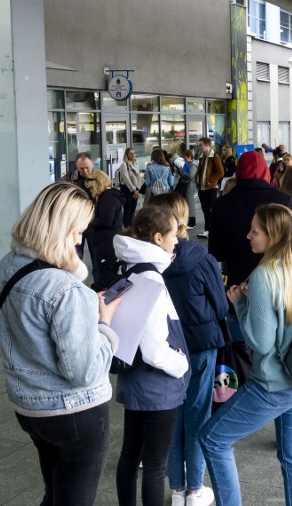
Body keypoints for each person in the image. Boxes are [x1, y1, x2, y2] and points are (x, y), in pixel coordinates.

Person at [0, 183, 120, 506]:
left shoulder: (6, 268)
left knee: (56, 493)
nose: (80, 240)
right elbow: (85, 370)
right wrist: (104, 324)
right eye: (77, 231)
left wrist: (85, 305)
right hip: (75, 413)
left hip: (30, 407)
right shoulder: (64, 290)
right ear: (58, 230)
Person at [200, 204, 292, 506]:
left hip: (275, 383)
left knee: (213, 438)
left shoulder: (263, 276)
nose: (248, 236)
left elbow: (261, 343)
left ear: (274, 236)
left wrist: (239, 304)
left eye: (255, 231)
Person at [151, 193, 227, 506]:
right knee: (197, 413)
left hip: (164, 348)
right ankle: (195, 489)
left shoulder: (147, 262)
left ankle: (177, 487)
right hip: (200, 346)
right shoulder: (202, 258)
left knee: (172, 415)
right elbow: (221, 307)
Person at [112, 205, 191, 506]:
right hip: (158, 386)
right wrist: (182, 363)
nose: (176, 241)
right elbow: (156, 349)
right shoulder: (153, 281)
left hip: (135, 381)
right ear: (158, 238)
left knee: (130, 456)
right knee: (156, 466)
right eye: (173, 235)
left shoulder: (131, 269)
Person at [210, 151, 292, 290]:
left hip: (236, 284)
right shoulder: (284, 200)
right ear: (265, 171)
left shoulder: (222, 204)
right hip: (278, 283)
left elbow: (216, 252)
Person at [86, 170, 127, 290]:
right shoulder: (109, 196)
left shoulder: (108, 198)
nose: (91, 191)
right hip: (106, 242)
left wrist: (88, 221)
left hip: (106, 243)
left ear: (97, 183)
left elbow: (106, 220)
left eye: (91, 187)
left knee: (107, 277)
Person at [196, 137, 224, 238]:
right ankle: (207, 230)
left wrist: (210, 180)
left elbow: (220, 172)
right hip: (202, 188)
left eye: (201, 145)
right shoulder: (202, 156)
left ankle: (214, 230)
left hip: (210, 188)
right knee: (205, 210)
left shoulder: (215, 157)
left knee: (212, 209)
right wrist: (197, 181)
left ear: (207, 145)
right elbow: (200, 171)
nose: (199, 147)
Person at [118, 147, 144, 228]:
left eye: (134, 153)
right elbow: (126, 179)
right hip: (127, 188)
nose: (133, 155)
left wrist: (138, 188)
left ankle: (131, 225)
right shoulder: (124, 164)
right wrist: (133, 190)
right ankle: (126, 226)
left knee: (133, 208)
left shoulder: (135, 164)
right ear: (127, 154)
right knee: (127, 208)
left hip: (135, 189)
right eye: (131, 153)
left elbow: (139, 177)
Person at [174, 148, 198, 228]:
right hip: (186, 184)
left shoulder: (193, 165)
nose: (184, 159)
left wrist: (181, 172)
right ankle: (188, 221)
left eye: (185, 157)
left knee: (190, 203)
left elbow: (190, 176)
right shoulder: (188, 164)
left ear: (189, 156)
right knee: (187, 203)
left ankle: (192, 223)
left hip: (189, 186)